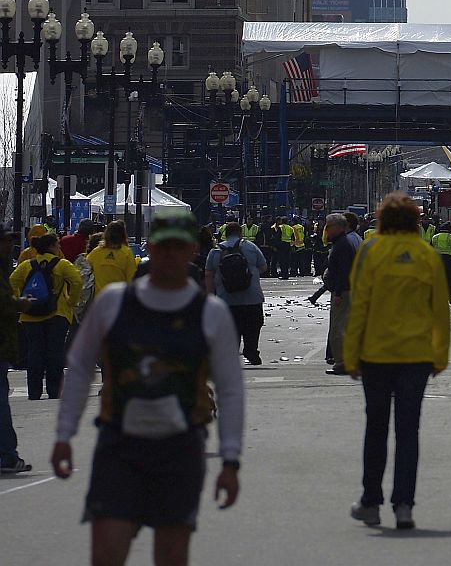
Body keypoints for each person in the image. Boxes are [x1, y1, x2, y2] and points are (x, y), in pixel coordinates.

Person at [50, 208, 243, 566]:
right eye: (163, 246)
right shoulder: (114, 303)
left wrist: (230, 460)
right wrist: (64, 434)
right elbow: (78, 368)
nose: (169, 255)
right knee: (106, 552)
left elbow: (231, 389)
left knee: (171, 556)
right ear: (149, 248)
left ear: (191, 252)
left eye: (178, 247)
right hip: (120, 445)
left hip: (181, 448)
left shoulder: (210, 312)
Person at [345, 193, 450, 530]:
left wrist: (350, 355)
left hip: (376, 354)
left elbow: (358, 303)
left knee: (375, 429)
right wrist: (440, 356)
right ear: (416, 220)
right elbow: (439, 311)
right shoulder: (427, 254)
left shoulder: (370, 251)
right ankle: (404, 505)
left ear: (382, 220)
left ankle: (370, 502)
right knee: (408, 432)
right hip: (417, 356)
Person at [9, 231, 83, 400]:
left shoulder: (27, 265)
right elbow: (77, 281)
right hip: (57, 314)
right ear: (51, 246)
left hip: (30, 316)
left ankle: (34, 392)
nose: (59, 248)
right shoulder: (62, 265)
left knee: (34, 354)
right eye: (58, 245)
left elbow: (12, 281)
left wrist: (20, 301)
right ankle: (54, 390)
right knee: (55, 353)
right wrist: (71, 302)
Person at [205, 220, 267, 365]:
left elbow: (208, 274)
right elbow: (263, 267)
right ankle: (251, 351)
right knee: (253, 325)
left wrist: (210, 296)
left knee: (230, 328)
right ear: (240, 233)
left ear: (225, 234)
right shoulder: (251, 247)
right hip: (252, 296)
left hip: (226, 297)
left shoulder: (215, 251)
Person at [0, 224, 33, 473]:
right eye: (5, 240)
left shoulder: (12, 265)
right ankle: (7, 456)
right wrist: (19, 303)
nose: (10, 244)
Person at [323, 213, 362, 375]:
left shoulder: (344, 243)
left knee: (338, 328)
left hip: (344, 291)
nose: (326, 230)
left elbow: (343, 271)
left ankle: (343, 362)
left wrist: (338, 292)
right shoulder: (345, 241)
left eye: (329, 226)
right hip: (346, 289)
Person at [87, 221, 138, 297]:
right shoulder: (126, 253)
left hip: (99, 299)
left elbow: (85, 270)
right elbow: (132, 278)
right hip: (119, 299)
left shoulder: (96, 252)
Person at [429, 220, 451, 305]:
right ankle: (450, 297)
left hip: (438, 261)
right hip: (450, 261)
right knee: (450, 280)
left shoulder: (435, 237)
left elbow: (429, 249)